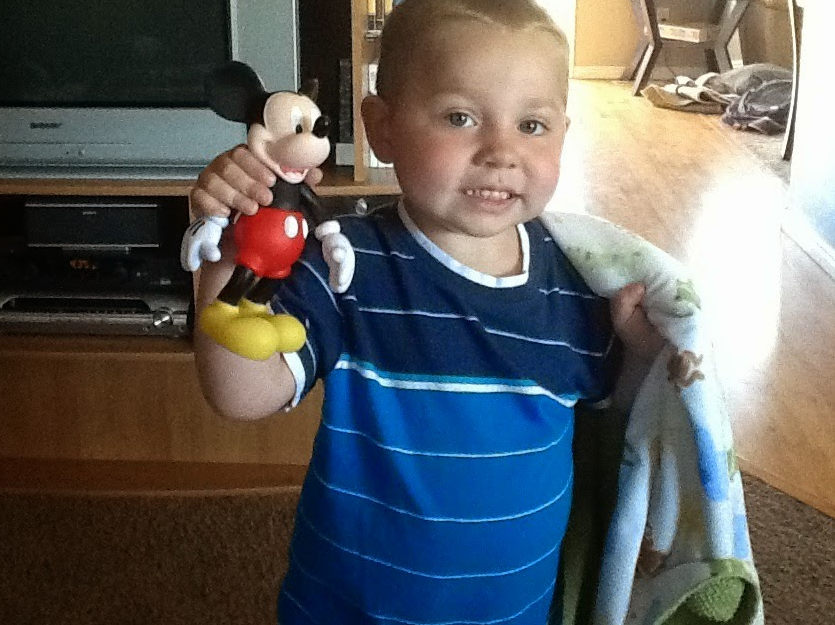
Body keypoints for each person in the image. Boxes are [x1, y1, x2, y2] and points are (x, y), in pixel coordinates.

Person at [190, 0, 665, 622]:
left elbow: (614, 418)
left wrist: (642, 355)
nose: (501, 151)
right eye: (460, 117)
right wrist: (231, 250)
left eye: (532, 125)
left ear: (564, 134)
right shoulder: (344, 262)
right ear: (381, 128)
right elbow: (240, 394)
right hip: (349, 609)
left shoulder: (577, 283)